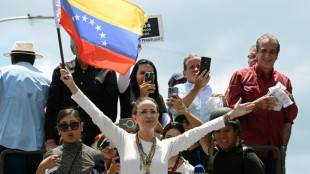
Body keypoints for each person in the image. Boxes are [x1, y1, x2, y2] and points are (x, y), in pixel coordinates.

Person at [59, 66, 254, 174]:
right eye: (143, 112)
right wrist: (73, 87)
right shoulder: (122, 139)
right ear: (135, 118)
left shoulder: (167, 145)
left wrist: (230, 116)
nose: (149, 116)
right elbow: (97, 115)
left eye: (153, 111)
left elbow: (198, 132)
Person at [228, 33, 298, 174]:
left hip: (275, 154)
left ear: (277, 55)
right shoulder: (240, 76)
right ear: (257, 53)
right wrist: (256, 105)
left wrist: (283, 149)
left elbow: (289, 119)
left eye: (272, 52)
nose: (267, 55)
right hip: (247, 153)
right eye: (264, 51)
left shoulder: (285, 81)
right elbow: (231, 113)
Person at [45, 38, 118, 148]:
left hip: (95, 140)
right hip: (65, 139)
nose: (85, 50)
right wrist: (50, 140)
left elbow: (110, 111)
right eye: (80, 47)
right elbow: (52, 108)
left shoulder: (107, 72)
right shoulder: (61, 71)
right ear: (72, 49)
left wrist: (102, 139)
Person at [0, 41, 50, 174]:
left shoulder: (3, 73)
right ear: (33, 60)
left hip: (7, 144)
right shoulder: (45, 80)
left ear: (12, 59)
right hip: (37, 146)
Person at [36, 108, 104, 174]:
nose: (69, 129)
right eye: (64, 126)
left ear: (81, 126)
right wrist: (42, 166)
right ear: (59, 130)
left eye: (74, 125)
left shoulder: (95, 155)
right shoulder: (51, 156)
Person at [205, 107, 265, 174]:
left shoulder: (248, 158)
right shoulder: (211, 156)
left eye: (227, 130)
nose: (222, 135)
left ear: (235, 132)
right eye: (217, 131)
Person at [119, 59, 170, 127]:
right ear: (135, 75)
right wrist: (143, 98)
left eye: (150, 74)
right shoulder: (126, 91)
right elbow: (124, 68)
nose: (145, 77)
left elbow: (165, 125)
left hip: (154, 136)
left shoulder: (158, 97)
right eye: (142, 73)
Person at [169, 53, 212, 123]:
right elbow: (174, 111)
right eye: (192, 67)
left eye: (199, 66)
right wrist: (196, 88)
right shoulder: (176, 89)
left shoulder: (214, 90)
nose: (196, 69)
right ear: (184, 74)